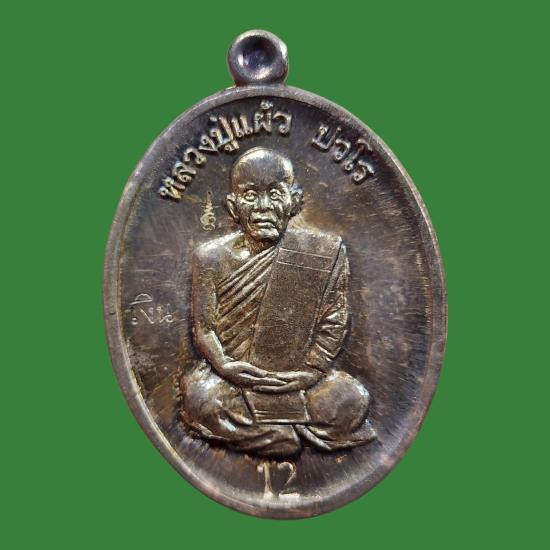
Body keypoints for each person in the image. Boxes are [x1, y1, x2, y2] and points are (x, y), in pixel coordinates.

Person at [180, 147, 376, 457]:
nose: (262, 207)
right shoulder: (210, 258)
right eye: (249, 195)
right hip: (233, 381)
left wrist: (311, 371)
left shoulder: (323, 252)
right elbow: (204, 329)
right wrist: (226, 366)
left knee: (352, 398)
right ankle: (288, 434)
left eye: (274, 194)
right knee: (200, 398)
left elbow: (335, 320)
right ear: (233, 207)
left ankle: (271, 434)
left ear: (294, 202)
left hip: (301, 381)